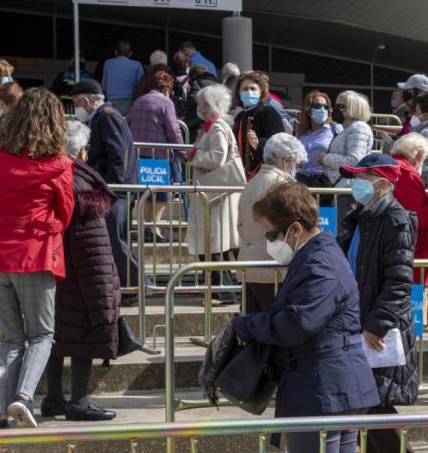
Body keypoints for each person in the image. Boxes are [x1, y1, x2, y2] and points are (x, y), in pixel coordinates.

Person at [232, 181, 379, 453]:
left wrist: (248, 325)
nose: (270, 242)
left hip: (324, 389)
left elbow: (299, 322)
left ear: (294, 229)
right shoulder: (319, 256)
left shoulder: (318, 261)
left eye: (272, 234)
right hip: (333, 386)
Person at [0, 88, 75, 429]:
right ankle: (24, 398)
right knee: (42, 336)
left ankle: (7, 413)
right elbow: (65, 213)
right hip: (34, 254)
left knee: (11, 338)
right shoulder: (59, 166)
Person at [335, 154, 423, 453]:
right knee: (368, 397)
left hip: (378, 325)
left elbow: (400, 280)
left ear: (384, 184)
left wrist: (377, 322)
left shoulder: (394, 220)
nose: (356, 185)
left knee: (370, 398)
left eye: (364, 178)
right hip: (357, 318)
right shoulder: (361, 216)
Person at [42, 121, 120, 423]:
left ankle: (54, 398)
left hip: (52, 270)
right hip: (78, 274)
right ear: (82, 151)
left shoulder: (49, 177)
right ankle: (79, 400)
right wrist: (105, 294)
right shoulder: (82, 185)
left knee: (55, 334)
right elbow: (95, 250)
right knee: (83, 331)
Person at [68, 79, 142, 295]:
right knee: (115, 239)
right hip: (114, 188)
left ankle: (135, 284)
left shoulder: (107, 116)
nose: (77, 108)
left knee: (116, 239)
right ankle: (128, 284)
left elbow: (118, 154)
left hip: (116, 189)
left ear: (85, 100)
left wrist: (112, 187)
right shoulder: (102, 117)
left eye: (76, 103)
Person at [186, 84, 247, 300]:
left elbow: (217, 158)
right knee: (212, 244)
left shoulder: (217, 127)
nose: (199, 108)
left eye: (203, 104)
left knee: (213, 244)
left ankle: (222, 291)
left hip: (215, 196)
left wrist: (194, 157)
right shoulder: (212, 127)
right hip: (213, 195)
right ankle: (221, 290)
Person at [236, 133, 304, 313]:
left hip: (248, 262)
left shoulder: (252, 183)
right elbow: (294, 225)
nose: (295, 168)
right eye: (295, 163)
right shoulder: (283, 183)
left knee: (251, 324)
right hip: (273, 266)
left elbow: (241, 225)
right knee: (274, 325)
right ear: (285, 160)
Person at [127, 69, 184, 243]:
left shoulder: (138, 101)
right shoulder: (166, 103)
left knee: (146, 192)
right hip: (159, 155)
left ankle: (147, 227)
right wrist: (183, 151)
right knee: (160, 193)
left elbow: (127, 123)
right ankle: (155, 227)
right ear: (167, 88)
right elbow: (174, 130)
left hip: (139, 154)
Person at [390, 133, 428, 285]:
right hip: (408, 243)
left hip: (391, 238)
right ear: (418, 156)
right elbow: (423, 215)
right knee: (416, 293)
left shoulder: (389, 167)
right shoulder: (407, 174)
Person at [320, 90, 374, 216]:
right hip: (341, 189)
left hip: (348, 190)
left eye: (342, 106)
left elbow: (355, 160)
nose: (337, 110)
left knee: (343, 232)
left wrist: (326, 158)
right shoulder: (348, 128)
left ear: (354, 108)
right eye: (337, 105)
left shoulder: (358, 128)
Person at [232, 71, 286, 179]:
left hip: (264, 175)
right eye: (245, 89)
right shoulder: (240, 117)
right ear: (239, 93)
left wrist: (259, 144)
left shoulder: (268, 112)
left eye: (253, 89)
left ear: (261, 91)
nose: (249, 92)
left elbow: (279, 145)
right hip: (241, 176)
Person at [294, 90, 342, 191]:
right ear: (308, 109)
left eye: (325, 107)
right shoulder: (301, 132)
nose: (322, 110)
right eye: (317, 106)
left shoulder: (335, 129)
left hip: (324, 181)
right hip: (301, 180)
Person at [101, 41, 144, 115]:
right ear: (130, 53)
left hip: (112, 103)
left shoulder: (108, 63)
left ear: (115, 52)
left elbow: (104, 86)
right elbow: (141, 87)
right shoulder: (137, 65)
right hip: (130, 104)